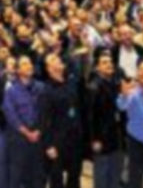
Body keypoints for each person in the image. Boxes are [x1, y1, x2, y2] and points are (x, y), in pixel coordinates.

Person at [40, 53, 83, 188]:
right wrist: (48, 145)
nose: (58, 60)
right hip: (57, 139)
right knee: (56, 179)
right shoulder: (46, 90)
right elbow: (44, 119)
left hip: (75, 137)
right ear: (48, 68)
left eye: (58, 58)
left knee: (74, 176)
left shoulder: (70, 82)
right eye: (53, 59)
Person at [3, 55, 45, 188]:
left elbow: (45, 111)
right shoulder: (11, 91)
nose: (29, 66)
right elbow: (11, 115)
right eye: (25, 64)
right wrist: (27, 133)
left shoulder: (41, 87)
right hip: (19, 137)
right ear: (17, 70)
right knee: (17, 175)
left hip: (38, 134)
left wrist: (38, 130)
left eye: (30, 63)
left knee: (38, 175)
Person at [87, 51, 123, 188]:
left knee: (115, 172)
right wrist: (94, 139)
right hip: (101, 137)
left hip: (115, 134)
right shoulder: (94, 87)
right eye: (104, 63)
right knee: (102, 174)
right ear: (97, 68)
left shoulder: (114, 83)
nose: (109, 65)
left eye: (110, 62)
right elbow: (90, 116)